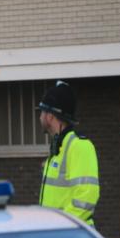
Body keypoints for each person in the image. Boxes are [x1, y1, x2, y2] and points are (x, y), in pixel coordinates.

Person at [37, 80, 99, 224]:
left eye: (42, 111)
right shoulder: (58, 149)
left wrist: (61, 226)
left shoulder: (79, 147)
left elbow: (86, 198)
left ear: (50, 116)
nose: (40, 117)